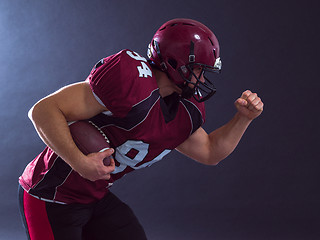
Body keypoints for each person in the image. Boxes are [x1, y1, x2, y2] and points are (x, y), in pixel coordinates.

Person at [18, 18, 263, 240]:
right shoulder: (130, 79)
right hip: (50, 194)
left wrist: (243, 118)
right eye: (199, 68)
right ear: (176, 62)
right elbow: (42, 110)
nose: (202, 78)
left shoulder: (184, 110)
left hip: (93, 197)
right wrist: (79, 162)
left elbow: (210, 152)